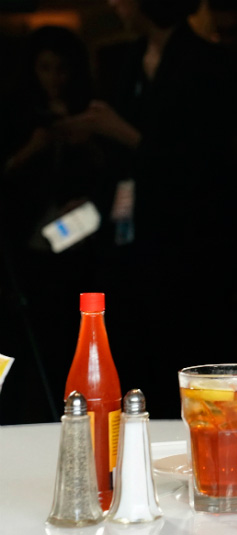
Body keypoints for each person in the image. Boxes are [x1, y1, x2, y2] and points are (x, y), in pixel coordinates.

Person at [72, 0, 237, 417]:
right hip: (128, 233)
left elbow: (208, 160)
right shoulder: (126, 59)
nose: (114, 4)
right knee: (129, 343)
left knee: (179, 346)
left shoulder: (207, 62)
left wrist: (124, 133)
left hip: (185, 237)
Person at [0, 25, 113, 423]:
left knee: (66, 338)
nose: (54, 78)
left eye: (62, 69)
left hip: (76, 249)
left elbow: (111, 178)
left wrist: (86, 145)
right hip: (22, 250)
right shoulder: (15, 114)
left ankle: (71, 414)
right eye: (45, 68)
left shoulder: (91, 113)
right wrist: (33, 148)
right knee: (14, 345)